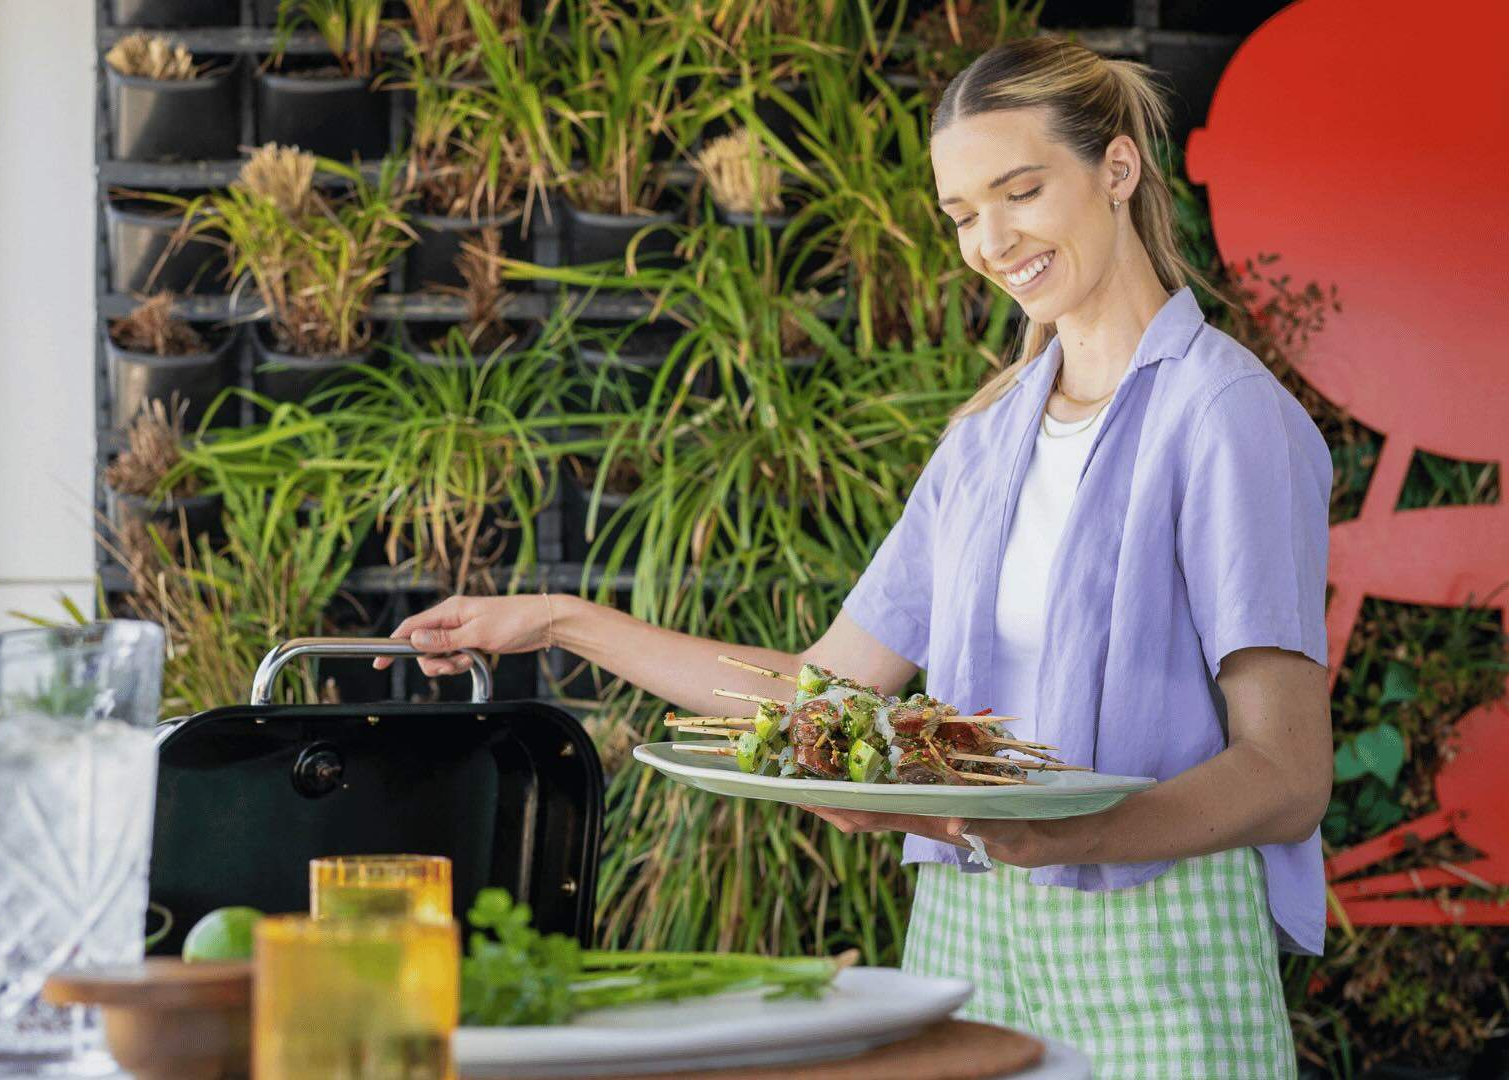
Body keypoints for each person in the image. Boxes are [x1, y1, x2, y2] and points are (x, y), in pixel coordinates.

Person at [375, 36, 1330, 1078]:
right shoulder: (988, 437)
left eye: (1021, 191)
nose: (992, 240)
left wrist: (1074, 839)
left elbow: (1286, 775)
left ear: (1115, 168)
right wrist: (561, 621)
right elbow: (824, 695)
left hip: (1162, 947)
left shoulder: (1227, 417)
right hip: (974, 931)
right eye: (963, 215)